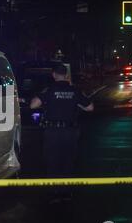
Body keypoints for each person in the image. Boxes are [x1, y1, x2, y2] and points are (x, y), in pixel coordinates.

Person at [30, 64, 94, 201]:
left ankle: (54, 192)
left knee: (52, 161)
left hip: (53, 132)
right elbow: (90, 107)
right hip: (70, 131)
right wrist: (76, 103)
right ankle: (66, 192)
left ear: (54, 75)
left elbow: (33, 105)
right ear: (66, 75)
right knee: (68, 161)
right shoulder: (75, 90)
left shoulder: (49, 90)